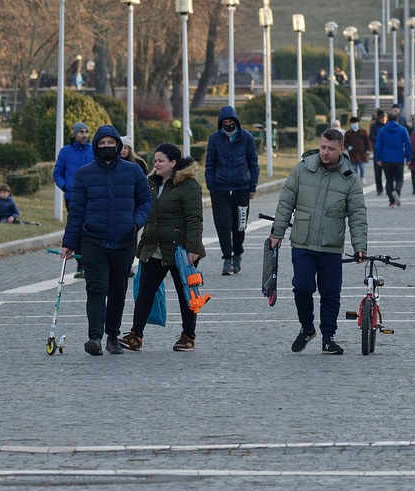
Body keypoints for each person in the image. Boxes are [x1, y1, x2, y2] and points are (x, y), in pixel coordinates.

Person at [269, 128, 368, 355]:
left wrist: (359, 246)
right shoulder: (302, 169)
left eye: (331, 149)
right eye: (323, 147)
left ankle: (328, 337)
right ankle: (307, 328)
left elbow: (358, 215)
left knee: (330, 293)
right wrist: (277, 232)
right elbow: (285, 203)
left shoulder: (350, 179)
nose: (325, 152)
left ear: (341, 150)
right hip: (302, 242)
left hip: (331, 246)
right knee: (302, 288)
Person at [60, 126, 152, 357]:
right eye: (102, 144)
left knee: (117, 290)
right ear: (96, 146)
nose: (107, 147)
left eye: (111, 143)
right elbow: (77, 211)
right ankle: (95, 337)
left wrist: (135, 223)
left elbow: (146, 202)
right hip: (93, 240)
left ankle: (113, 336)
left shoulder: (133, 172)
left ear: (118, 145)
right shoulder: (84, 174)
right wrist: (69, 242)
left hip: (124, 240)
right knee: (96, 289)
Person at [122, 143, 204, 352]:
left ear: (173, 163)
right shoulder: (150, 183)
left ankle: (188, 336)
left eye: (161, 160)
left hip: (181, 251)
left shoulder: (189, 185)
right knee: (145, 291)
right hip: (154, 247)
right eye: (155, 160)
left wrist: (192, 249)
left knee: (185, 293)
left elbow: (195, 219)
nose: (156, 164)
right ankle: (135, 336)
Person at [205, 106, 259, 276]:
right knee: (223, 225)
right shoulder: (214, 139)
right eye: (224, 122)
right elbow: (210, 164)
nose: (227, 125)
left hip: (241, 188)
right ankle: (227, 258)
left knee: (239, 225)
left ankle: (237, 255)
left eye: (230, 122)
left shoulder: (247, 138)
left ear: (236, 122)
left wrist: (252, 187)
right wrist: (211, 187)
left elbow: (253, 164)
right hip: (220, 189)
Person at [53, 121, 93, 276]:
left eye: (86, 131)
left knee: (89, 229)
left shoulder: (93, 151)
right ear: (74, 134)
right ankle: (80, 265)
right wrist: (67, 186)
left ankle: (90, 264)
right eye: (81, 132)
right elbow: (57, 173)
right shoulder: (65, 152)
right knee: (77, 229)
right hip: (72, 197)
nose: (84, 135)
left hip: (92, 197)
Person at [373, 110, 413, 207]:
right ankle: (397, 191)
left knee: (389, 180)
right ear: (397, 119)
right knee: (399, 179)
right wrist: (408, 158)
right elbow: (408, 144)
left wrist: (378, 158)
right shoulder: (403, 130)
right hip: (398, 158)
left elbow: (378, 146)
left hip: (386, 159)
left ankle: (391, 201)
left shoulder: (382, 130)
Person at [343, 116, 371, 182]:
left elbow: (368, 142)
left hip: (362, 153)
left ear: (358, 123)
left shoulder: (363, 132)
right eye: (352, 123)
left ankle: (362, 177)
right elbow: (345, 142)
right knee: (353, 168)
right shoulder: (348, 133)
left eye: (355, 123)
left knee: (362, 167)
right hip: (352, 153)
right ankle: (355, 180)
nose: (354, 124)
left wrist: (368, 150)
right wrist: (348, 147)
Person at [369, 110, 387, 195]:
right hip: (377, 151)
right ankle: (379, 189)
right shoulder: (374, 126)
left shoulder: (388, 126)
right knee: (377, 173)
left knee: (388, 173)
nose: (383, 120)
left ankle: (388, 188)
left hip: (387, 153)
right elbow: (371, 136)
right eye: (382, 118)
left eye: (385, 118)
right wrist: (379, 139)